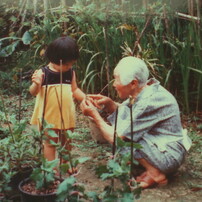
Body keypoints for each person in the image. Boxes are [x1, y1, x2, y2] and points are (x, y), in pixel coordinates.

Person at [80, 56, 192, 188]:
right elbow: (129, 112)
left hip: (169, 156)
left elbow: (117, 138)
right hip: (165, 147)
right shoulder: (145, 89)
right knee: (125, 132)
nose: (114, 84)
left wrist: (95, 115)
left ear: (133, 83)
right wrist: (111, 105)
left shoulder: (147, 101)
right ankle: (152, 169)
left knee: (123, 141)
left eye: (117, 80)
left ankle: (155, 172)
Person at [29, 36, 85, 166]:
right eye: (66, 64)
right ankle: (51, 169)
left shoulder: (70, 72)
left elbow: (75, 89)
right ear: (54, 59)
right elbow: (33, 92)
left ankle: (66, 164)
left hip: (67, 114)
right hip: (49, 117)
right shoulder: (43, 73)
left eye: (72, 63)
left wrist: (86, 98)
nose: (69, 66)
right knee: (49, 144)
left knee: (67, 142)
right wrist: (36, 84)